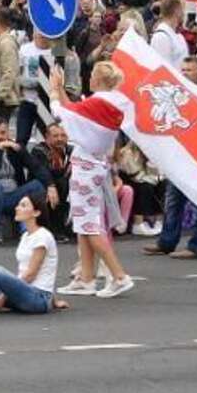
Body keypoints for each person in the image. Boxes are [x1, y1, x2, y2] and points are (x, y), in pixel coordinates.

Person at [46, 62, 134, 298]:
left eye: (92, 75)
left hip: (86, 166)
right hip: (95, 164)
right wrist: (61, 90)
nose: (89, 78)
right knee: (83, 223)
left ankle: (118, 276)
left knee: (88, 225)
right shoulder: (112, 102)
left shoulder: (99, 102)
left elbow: (62, 113)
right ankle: (86, 277)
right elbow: (75, 111)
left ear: (99, 80)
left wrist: (54, 90)